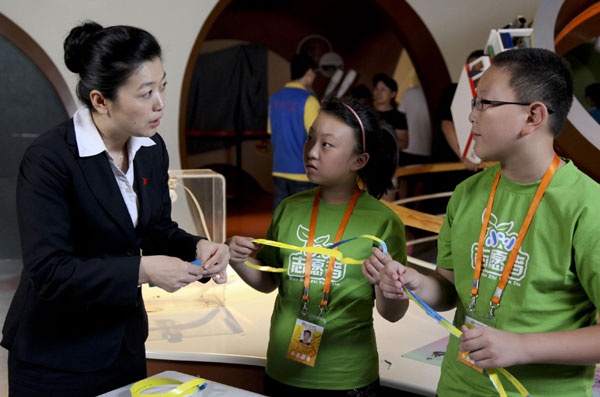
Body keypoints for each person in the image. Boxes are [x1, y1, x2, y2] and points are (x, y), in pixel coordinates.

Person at [1, 22, 230, 396]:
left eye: (163, 86)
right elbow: (50, 271)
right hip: (56, 355)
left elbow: (155, 228)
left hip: (123, 344)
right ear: (100, 100)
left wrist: (198, 247)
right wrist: (142, 269)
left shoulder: (150, 149)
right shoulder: (50, 159)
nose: (160, 103)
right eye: (145, 93)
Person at [375, 48, 600, 396]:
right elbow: (449, 289)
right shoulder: (467, 194)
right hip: (456, 386)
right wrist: (416, 282)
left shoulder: (588, 206)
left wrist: (522, 347)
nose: (471, 116)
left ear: (533, 116)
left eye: (484, 103)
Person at [228, 97, 407, 396]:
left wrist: (389, 285)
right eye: (311, 137)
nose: (311, 151)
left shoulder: (383, 222)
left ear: (358, 161)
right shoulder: (289, 208)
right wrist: (239, 260)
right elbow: (269, 281)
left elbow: (393, 312)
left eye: (327, 144)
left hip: (346, 379)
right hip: (281, 371)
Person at [269, 53, 320, 212]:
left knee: (280, 220)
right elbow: (318, 137)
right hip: (302, 172)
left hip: (279, 169)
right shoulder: (309, 101)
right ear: (310, 73)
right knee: (303, 223)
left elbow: (272, 133)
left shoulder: (274, 99)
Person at [435, 50, 485, 171]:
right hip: (453, 162)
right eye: (473, 68)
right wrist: (464, 156)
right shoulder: (453, 91)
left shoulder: (488, 95)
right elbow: (446, 125)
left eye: (481, 69)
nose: (476, 73)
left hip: (481, 161)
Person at [372, 72, 408, 149]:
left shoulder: (398, 117)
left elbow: (404, 143)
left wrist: (382, 142)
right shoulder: (367, 112)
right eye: (376, 89)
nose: (378, 93)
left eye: (383, 90)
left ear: (393, 94)